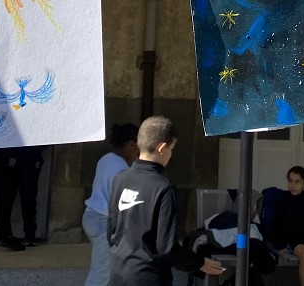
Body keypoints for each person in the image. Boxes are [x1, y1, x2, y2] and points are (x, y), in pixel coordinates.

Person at [107, 116, 223, 286]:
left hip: (117, 273)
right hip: (148, 277)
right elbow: (167, 248)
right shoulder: (163, 188)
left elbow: (111, 230)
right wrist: (200, 263)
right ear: (162, 148)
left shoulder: (120, 178)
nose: (171, 154)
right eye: (172, 148)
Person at [82, 123, 138, 286]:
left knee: (106, 272)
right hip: (103, 220)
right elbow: (121, 202)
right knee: (100, 275)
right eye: (137, 148)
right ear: (131, 144)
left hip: (93, 216)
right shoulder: (121, 168)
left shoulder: (106, 159)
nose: (138, 153)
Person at [12, 145, 48, 247]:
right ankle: (4, 234)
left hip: (32, 156)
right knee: (7, 197)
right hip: (12, 154)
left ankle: (29, 235)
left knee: (29, 197)